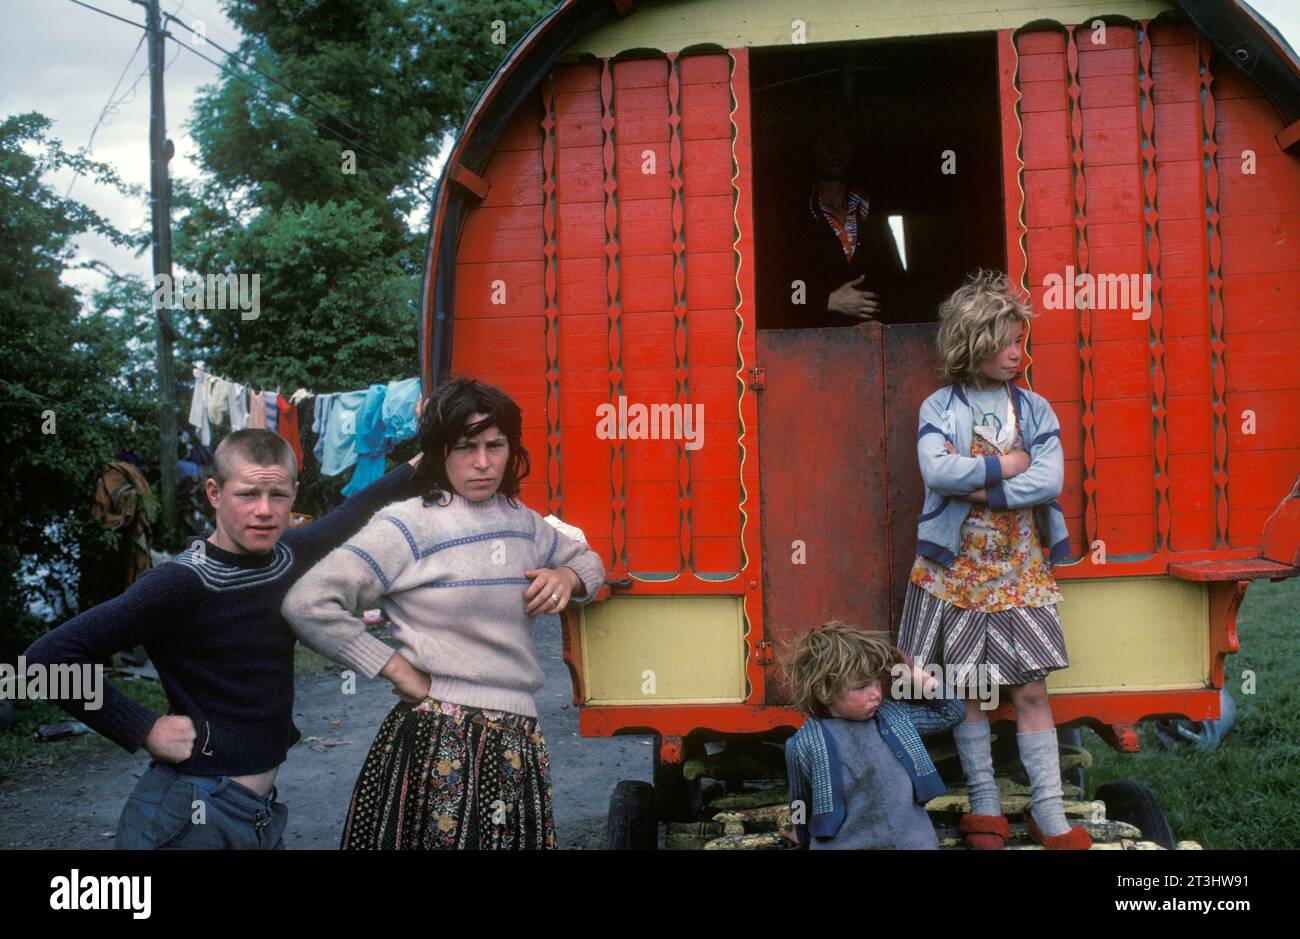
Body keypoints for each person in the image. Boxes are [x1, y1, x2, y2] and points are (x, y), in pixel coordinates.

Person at [24, 428, 426, 849]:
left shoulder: (288, 554)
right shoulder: (179, 582)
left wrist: (430, 453)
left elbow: (354, 510)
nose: (264, 511)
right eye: (247, 495)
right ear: (214, 493)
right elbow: (45, 659)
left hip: (256, 814)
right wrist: (144, 728)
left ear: (294, 493)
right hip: (189, 815)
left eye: (278, 496)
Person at [282, 378, 606, 850]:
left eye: (495, 445)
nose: (482, 462)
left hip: (518, 738)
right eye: (465, 447)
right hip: (439, 738)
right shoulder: (407, 525)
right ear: (438, 451)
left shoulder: (522, 522)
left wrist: (568, 577)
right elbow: (308, 603)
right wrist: (392, 668)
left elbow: (588, 561)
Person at [896, 270, 1091, 850]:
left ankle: (1049, 812)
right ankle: (984, 805)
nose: (1016, 353)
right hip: (955, 574)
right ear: (972, 345)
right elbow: (936, 471)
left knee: (1030, 690)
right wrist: (1006, 468)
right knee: (974, 690)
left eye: (1019, 341)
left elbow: (1049, 480)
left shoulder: (1033, 408)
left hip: (1020, 573)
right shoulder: (940, 405)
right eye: (1005, 342)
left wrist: (978, 486)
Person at [781, 622, 965, 849]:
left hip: (911, 842)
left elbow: (952, 712)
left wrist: (913, 674)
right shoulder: (804, 743)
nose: (876, 693)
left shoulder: (895, 718)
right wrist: (801, 831)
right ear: (824, 691)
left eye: (877, 681)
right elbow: (799, 799)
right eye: (862, 687)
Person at [763, 114, 913, 329]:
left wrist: (882, 325)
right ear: (811, 149)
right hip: (812, 350)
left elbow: (900, 288)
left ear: (854, 148)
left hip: (875, 350)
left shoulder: (871, 213)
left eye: (843, 140)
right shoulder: (791, 219)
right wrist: (826, 302)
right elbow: (771, 293)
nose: (834, 149)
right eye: (824, 141)